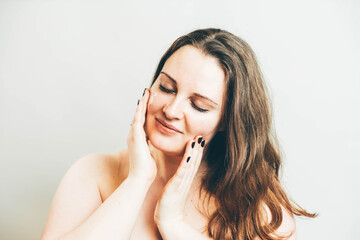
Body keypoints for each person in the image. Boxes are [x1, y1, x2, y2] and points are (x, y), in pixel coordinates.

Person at [41, 28, 316, 240]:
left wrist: (173, 225)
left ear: (226, 121)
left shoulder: (260, 210)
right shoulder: (93, 172)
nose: (171, 110)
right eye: (167, 88)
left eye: (198, 105)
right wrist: (138, 181)